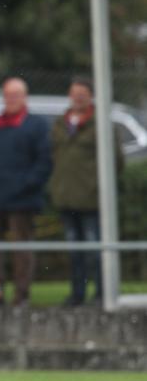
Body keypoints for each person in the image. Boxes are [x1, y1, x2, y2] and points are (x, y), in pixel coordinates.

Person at [0, 77, 51, 307]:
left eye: (16, 95)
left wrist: (25, 185)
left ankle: (21, 296)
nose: (11, 100)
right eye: (8, 95)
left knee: (21, 250)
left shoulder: (36, 125)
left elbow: (44, 163)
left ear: (24, 97)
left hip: (21, 201)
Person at [48, 77, 123, 306]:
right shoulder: (61, 123)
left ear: (90, 96)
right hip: (67, 198)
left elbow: (117, 161)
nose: (78, 98)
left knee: (96, 249)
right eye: (74, 94)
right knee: (74, 251)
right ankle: (77, 294)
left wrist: (99, 186)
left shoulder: (101, 123)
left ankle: (102, 293)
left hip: (92, 199)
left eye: (82, 94)